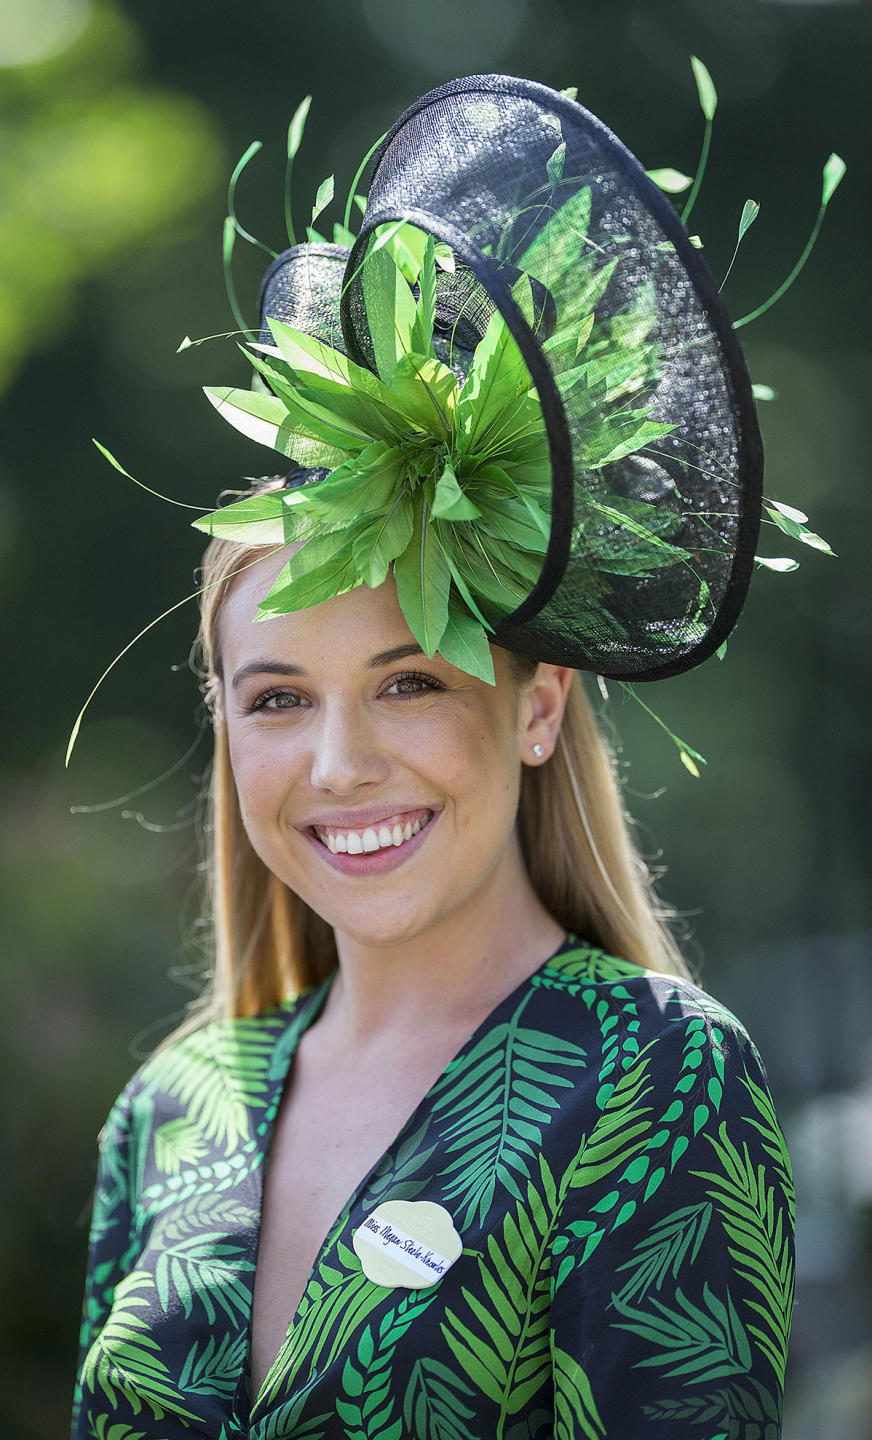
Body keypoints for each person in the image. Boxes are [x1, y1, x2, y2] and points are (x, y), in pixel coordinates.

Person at [71, 72, 802, 1438]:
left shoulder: (648, 1074)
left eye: (407, 682)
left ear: (537, 707)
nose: (341, 764)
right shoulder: (170, 1112)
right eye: (278, 700)